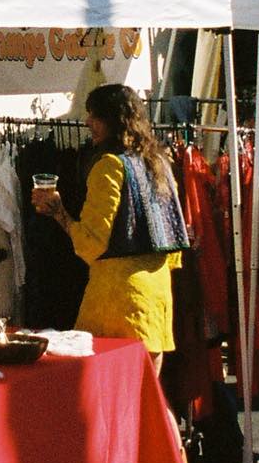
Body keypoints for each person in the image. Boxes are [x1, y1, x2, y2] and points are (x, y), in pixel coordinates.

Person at [31, 83, 188, 375]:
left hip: (118, 299)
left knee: (113, 391)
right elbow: (174, 237)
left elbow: (92, 242)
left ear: (114, 120)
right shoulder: (160, 163)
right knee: (147, 392)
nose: (88, 122)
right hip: (157, 292)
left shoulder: (110, 166)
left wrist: (60, 213)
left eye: (95, 115)